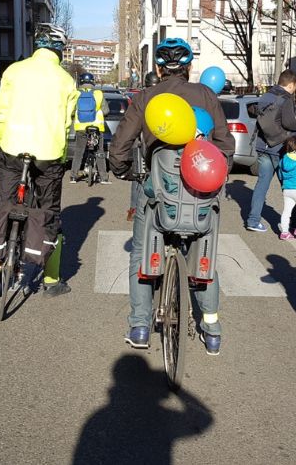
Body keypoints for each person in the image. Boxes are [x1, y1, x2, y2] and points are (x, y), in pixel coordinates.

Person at [109, 37, 235, 355]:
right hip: (200, 191)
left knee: (140, 253)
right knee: (204, 254)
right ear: (190, 68)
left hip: (157, 188)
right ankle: (212, 329)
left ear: (157, 68)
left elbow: (122, 142)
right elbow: (225, 143)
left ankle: (139, 326)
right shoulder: (207, 95)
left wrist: (122, 169)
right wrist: (217, 174)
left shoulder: (148, 96)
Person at [0, 23, 79, 298]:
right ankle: (50, 280)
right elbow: (67, 123)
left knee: (1, 204)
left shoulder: (14, 70)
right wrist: (61, 155)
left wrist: (1, 143)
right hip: (48, 153)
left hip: (12, 148)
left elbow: (0, 112)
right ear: (59, 50)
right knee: (49, 213)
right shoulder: (65, 80)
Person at [246, 69, 296, 232]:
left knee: (262, 184)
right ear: (291, 84)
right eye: (295, 86)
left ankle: (252, 221)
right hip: (280, 147)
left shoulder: (266, 95)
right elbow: (288, 123)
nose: (295, 89)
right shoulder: (286, 99)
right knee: (291, 183)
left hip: (263, 145)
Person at [126, 69, 160, 222]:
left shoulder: (139, 98)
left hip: (140, 142)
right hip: (158, 142)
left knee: (138, 176)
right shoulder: (163, 98)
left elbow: (131, 123)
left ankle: (134, 209)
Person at [70, 72, 109, 185]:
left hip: (81, 128)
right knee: (99, 152)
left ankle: (73, 176)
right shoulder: (98, 93)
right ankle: (104, 177)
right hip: (96, 127)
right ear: (92, 82)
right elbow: (106, 111)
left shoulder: (76, 94)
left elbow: (71, 111)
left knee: (79, 152)